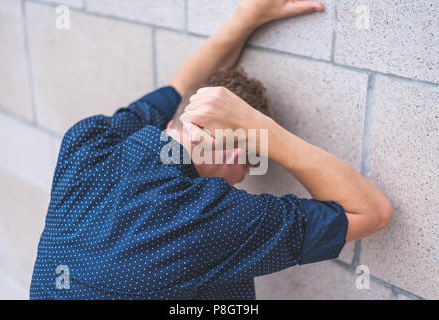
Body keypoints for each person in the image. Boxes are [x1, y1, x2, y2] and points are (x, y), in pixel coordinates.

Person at [30, 0, 392, 300]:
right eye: (244, 173)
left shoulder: (88, 144)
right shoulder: (208, 217)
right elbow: (371, 212)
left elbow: (180, 84)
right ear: (240, 155)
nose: (236, 185)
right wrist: (264, 132)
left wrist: (245, 19)